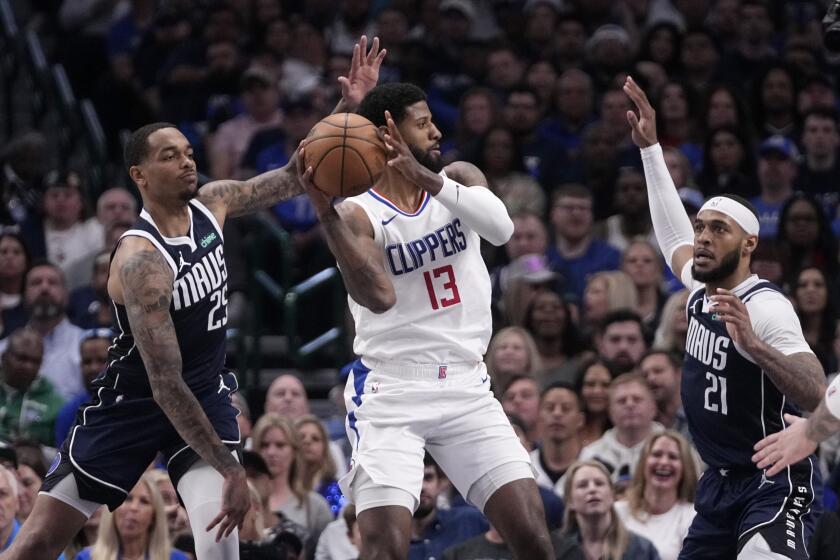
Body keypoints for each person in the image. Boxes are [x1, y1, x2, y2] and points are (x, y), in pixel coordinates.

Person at [3, 34, 387, 560]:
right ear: (139, 175)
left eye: (188, 152)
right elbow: (164, 384)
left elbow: (299, 175)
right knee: (38, 543)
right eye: (170, 156)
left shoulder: (214, 201)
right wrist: (232, 469)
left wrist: (349, 109)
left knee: (219, 548)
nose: (187, 162)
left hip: (203, 394)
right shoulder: (141, 261)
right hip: (135, 402)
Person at [298, 81, 554, 559]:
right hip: (392, 391)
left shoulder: (458, 175)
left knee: (534, 538)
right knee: (384, 548)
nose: (437, 131)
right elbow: (378, 296)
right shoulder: (358, 214)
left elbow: (502, 229)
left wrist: (426, 176)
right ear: (390, 134)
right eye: (423, 123)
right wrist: (324, 214)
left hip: (468, 386)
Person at [625, 75, 826, 559]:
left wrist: (755, 347)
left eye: (719, 229)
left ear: (749, 243)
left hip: (772, 481)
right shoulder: (698, 287)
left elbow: (818, 390)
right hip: (718, 485)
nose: (704, 237)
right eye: (702, 228)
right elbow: (672, 238)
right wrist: (651, 149)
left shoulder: (766, 305)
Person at [614, 432, 697, 560]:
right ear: (643, 463)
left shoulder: (692, 517)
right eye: (657, 454)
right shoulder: (617, 512)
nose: (664, 462)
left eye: (673, 457)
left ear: (685, 468)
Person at [557, 461, 660, 560]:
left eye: (599, 483)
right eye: (583, 485)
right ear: (569, 500)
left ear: (612, 494)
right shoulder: (557, 549)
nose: (592, 489)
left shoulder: (642, 549)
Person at [74, 472, 189, 560]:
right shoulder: (86, 557)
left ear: (154, 516)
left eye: (144, 501)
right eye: (127, 499)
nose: (134, 508)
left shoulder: (177, 558)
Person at [580, 373, 663, 486]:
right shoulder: (591, 456)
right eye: (621, 401)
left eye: (637, 399)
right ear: (610, 410)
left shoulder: (678, 450)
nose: (629, 404)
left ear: (653, 407)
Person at [0, 329, 63, 446]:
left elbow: (63, 454)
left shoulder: (56, 404)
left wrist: (42, 453)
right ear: (4, 357)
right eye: (21, 358)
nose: (28, 367)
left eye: (35, 361)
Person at [531, 382, 584, 498]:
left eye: (566, 408)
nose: (557, 413)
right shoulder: (524, 467)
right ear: (539, 417)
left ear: (580, 420)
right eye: (550, 408)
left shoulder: (598, 463)